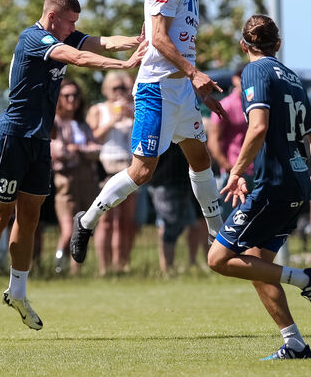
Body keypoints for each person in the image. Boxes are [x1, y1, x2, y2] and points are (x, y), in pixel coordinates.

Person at [0, 0, 145, 329]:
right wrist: (123, 65)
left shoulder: (65, 34)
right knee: (1, 213)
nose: (73, 29)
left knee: (30, 217)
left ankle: (17, 292)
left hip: (38, 141)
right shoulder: (35, 38)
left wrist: (137, 40)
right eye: (70, 22)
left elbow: (102, 42)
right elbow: (79, 59)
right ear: (53, 18)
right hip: (12, 138)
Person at [70, 0, 227, 264]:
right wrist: (194, 74)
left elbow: (178, 44)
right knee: (142, 172)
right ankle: (85, 221)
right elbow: (158, 37)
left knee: (201, 159)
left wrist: (196, 87)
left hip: (182, 92)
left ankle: (218, 237)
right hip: (156, 90)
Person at [207, 15, 311, 360]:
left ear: (244, 45)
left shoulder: (255, 72)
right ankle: (295, 344)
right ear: (278, 44)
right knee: (258, 266)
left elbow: (257, 127)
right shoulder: (293, 78)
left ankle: (306, 280)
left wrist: (236, 171)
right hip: (297, 183)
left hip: (272, 184)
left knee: (218, 258)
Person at [85, 72, 137, 275]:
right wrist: (111, 121)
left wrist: (129, 114)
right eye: (116, 88)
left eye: (124, 88)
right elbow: (91, 138)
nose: (120, 92)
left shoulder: (133, 109)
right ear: (106, 89)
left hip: (129, 166)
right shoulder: (98, 109)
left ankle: (122, 264)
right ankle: (103, 268)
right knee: (105, 220)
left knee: (125, 220)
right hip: (106, 167)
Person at [51, 80, 101, 275]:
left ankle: (75, 272)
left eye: (75, 96)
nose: (71, 100)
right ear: (59, 99)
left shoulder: (83, 124)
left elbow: (97, 150)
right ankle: (57, 268)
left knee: (84, 229)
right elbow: (56, 150)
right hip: (66, 181)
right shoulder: (54, 122)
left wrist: (78, 149)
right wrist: (80, 152)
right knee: (67, 230)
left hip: (88, 180)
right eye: (66, 96)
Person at [147, 142, 207, 274]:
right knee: (169, 228)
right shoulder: (162, 125)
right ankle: (167, 269)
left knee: (183, 226)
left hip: (184, 181)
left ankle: (173, 267)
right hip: (164, 182)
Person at [207, 65, 253, 218]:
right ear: (234, 79)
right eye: (241, 77)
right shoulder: (226, 105)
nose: (244, 81)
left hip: (258, 171)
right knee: (231, 222)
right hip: (234, 172)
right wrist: (228, 167)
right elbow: (213, 141)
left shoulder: (256, 103)